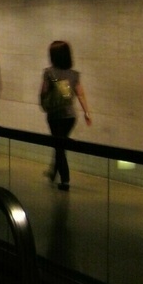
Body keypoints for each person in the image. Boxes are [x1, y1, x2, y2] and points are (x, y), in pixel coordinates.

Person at [40, 40, 92, 191]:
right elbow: (80, 94)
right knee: (59, 145)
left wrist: (44, 101)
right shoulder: (74, 74)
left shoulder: (49, 72)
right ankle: (53, 172)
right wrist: (87, 113)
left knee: (59, 148)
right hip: (70, 116)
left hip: (55, 115)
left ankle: (65, 180)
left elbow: (44, 92)